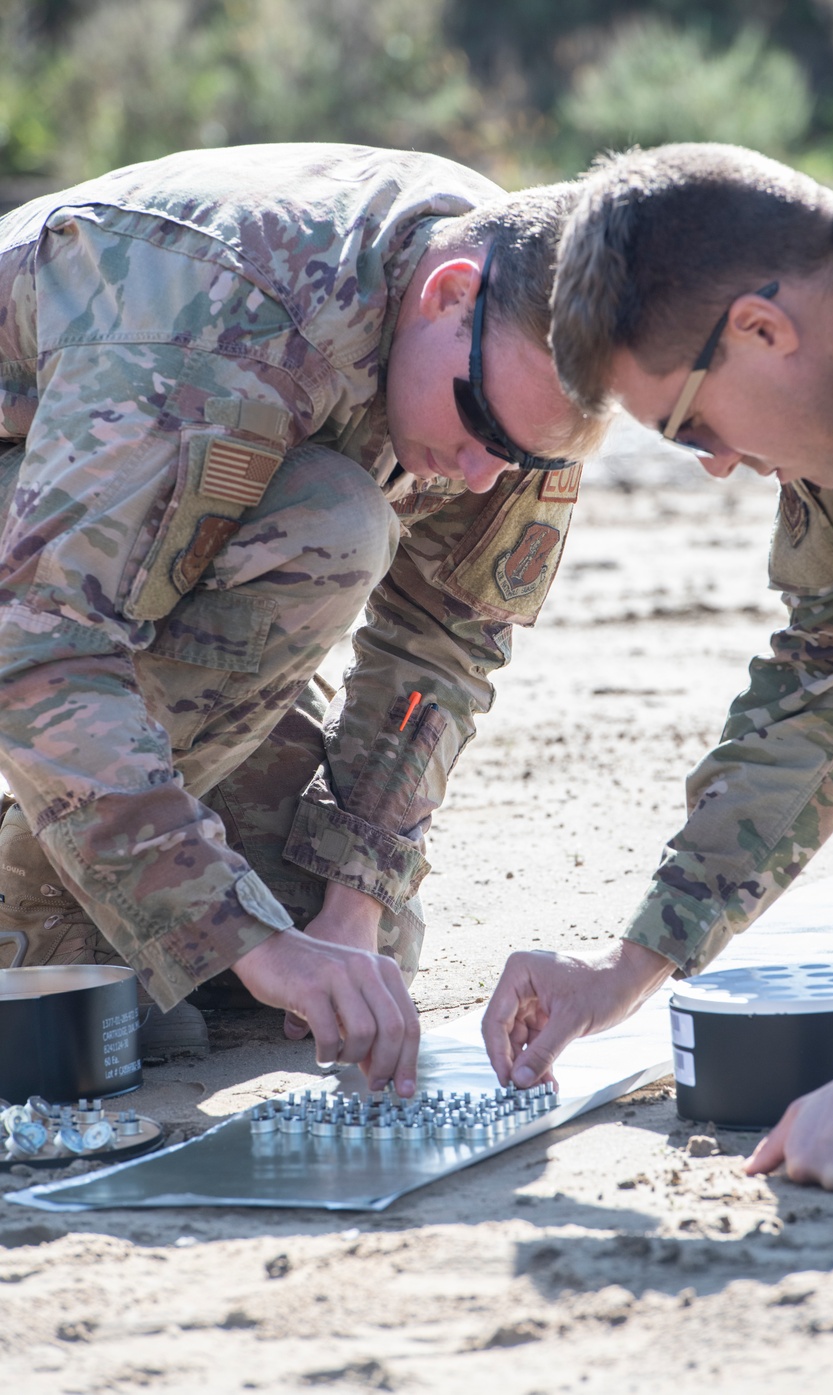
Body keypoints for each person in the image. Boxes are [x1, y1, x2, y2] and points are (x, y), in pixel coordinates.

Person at [0, 142, 602, 1091]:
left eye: (520, 458)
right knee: (333, 521)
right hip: (41, 573)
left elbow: (443, 646)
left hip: (136, 574)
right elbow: (42, 648)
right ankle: (28, 912)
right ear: (448, 294)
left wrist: (354, 899)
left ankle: (132, 911)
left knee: (353, 945)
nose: (486, 474)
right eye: (483, 430)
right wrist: (230, 934)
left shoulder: (524, 349)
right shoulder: (219, 314)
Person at [482, 115, 833, 1189]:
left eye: (688, 426)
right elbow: (820, 684)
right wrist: (623, 972)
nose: (715, 466)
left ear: (762, 330)